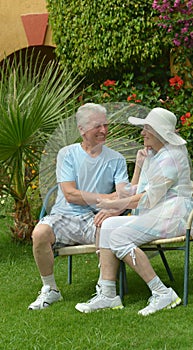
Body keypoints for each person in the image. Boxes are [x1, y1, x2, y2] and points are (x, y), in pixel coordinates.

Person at [75, 107, 193, 316]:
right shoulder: (154, 154)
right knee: (107, 226)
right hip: (155, 213)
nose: (142, 133)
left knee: (118, 237)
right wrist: (140, 166)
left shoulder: (172, 157)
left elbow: (146, 198)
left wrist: (115, 206)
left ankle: (162, 293)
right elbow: (138, 189)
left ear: (159, 132)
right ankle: (107, 294)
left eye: (146, 129)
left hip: (173, 216)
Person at [28, 103, 129, 310]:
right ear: (82, 129)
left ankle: (107, 292)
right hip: (64, 217)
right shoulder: (67, 154)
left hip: (95, 217)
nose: (103, 130)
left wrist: (111, 206)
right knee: (40, 233)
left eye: (105, 125)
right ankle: (50, 289)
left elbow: (123, 195)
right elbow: (70, 194)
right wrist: (107, 197)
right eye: (97, 126)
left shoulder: (116, 159)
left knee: (109, 227)